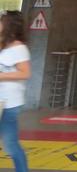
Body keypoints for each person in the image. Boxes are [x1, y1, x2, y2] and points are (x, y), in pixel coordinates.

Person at [0, 11, 31, 172]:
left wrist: (1, 76)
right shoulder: (4, 45)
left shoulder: (19, 48)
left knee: (10, 143)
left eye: (1, 22)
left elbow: (25, 73)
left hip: (8, 103)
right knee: (10, 143)